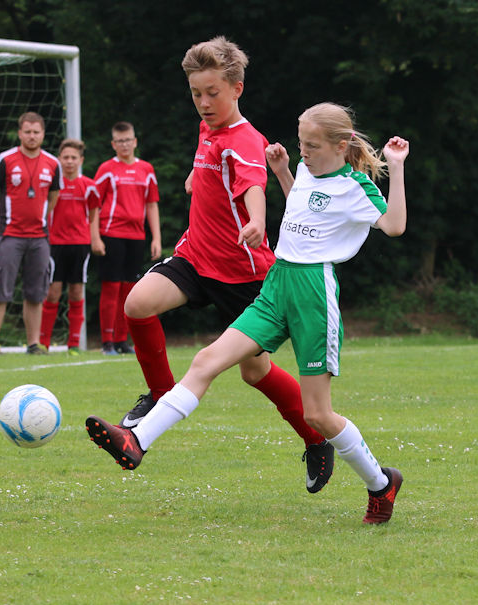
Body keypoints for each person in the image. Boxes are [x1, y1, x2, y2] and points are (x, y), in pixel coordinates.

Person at [87, 103, 409, 524]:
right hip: (276, 286)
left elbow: (394, 225)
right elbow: (303, 205)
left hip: (314, 295)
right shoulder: (308, 169)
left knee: (318, 414)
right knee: (206, 361)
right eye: (300, 144)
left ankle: (382, 485)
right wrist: (282, 172)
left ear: (341, 144)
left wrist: (397, 167)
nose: (303, 151)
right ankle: (135, 441)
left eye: (311, 146)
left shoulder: (355, 187)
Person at [112, 36, 334, 493]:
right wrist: (199, 174)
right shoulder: (208, 128)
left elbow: (253, 182)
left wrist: (256, 220)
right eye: (196, 93)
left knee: (255, 372)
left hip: (245, 274)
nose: (204, 102)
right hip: (197, 256)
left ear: (237, 88)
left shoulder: (246, 140)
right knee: (138, 304)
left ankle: (316, 439)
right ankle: (159, 395)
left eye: (213, 92)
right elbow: (216, 163)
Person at [0, 112, 62, 356]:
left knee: (36, 292)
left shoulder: (52, 163)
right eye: (27, 131)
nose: (31, 136)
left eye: (36, 132)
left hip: (39, 237)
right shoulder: (4, 160)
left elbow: (53, 197)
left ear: (43, 134)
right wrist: (2, 221)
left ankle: (33, 343)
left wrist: (40, 219)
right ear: (20, 133)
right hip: (10, 234)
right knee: (0, 290)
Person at [91, 121, 162, 355]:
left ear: (135, 141)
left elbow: (151, 205)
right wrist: (96, 237)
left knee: (130, 289)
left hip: (136, 236)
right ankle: (107, 342)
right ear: (113, 144)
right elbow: (93, 205)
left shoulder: (146, 169)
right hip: (111, 234)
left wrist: (156, 238)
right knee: (111, 287)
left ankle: (122, 340)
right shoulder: (106, 169)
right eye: (119, 141)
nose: (124, 145)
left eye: (128, 140)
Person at [42, 138, 100, 352]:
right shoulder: (51, 185)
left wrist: (95, 239)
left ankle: (73, 344)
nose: (69, 161)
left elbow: (93, 214)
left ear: (81, 160)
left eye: (73, 157)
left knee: (76, 292)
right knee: (53, 292)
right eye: (65, 157)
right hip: (55, 244)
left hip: (80, 245)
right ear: (59, 159)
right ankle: (43, 343)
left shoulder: (90, 187)